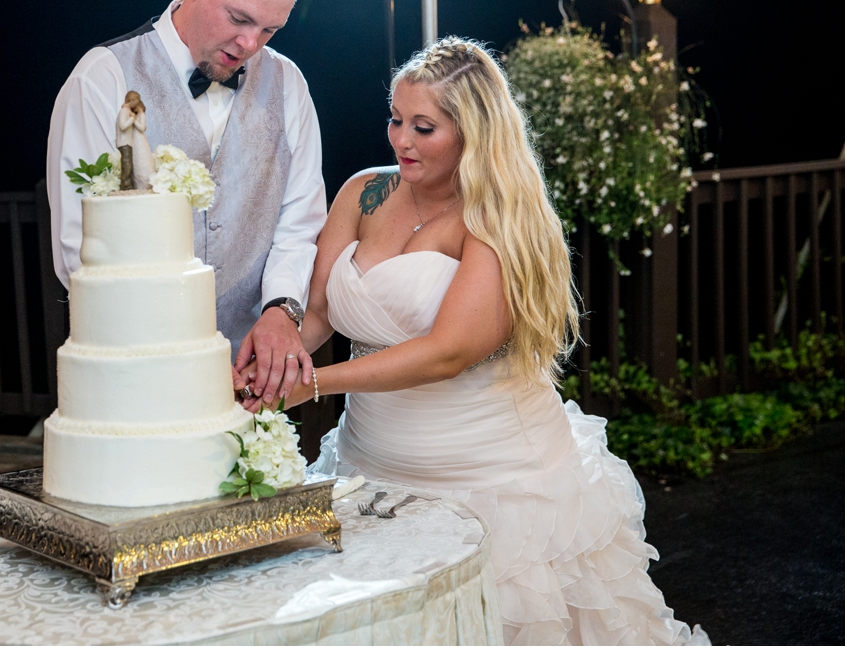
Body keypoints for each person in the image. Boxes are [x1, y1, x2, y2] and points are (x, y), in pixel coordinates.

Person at [238, 37, 708, 645]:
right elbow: (322, 313)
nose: (400, 140)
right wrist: (274, 363)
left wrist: (312, 384)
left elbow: (447, 351)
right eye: (396, 119)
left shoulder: (497, 216)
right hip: (372, 463)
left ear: (473, 131)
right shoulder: (362, 193)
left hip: (493, 478)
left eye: (423, 127)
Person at [46, 0, 325, 397]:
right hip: (135, 371)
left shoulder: (289, 85)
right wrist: (179, 351)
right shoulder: (103, 78)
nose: (250, 45)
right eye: (239, 19)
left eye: (269, 30)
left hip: (249, 381)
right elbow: (80, 247)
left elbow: (298, 222)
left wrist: (283, 309)